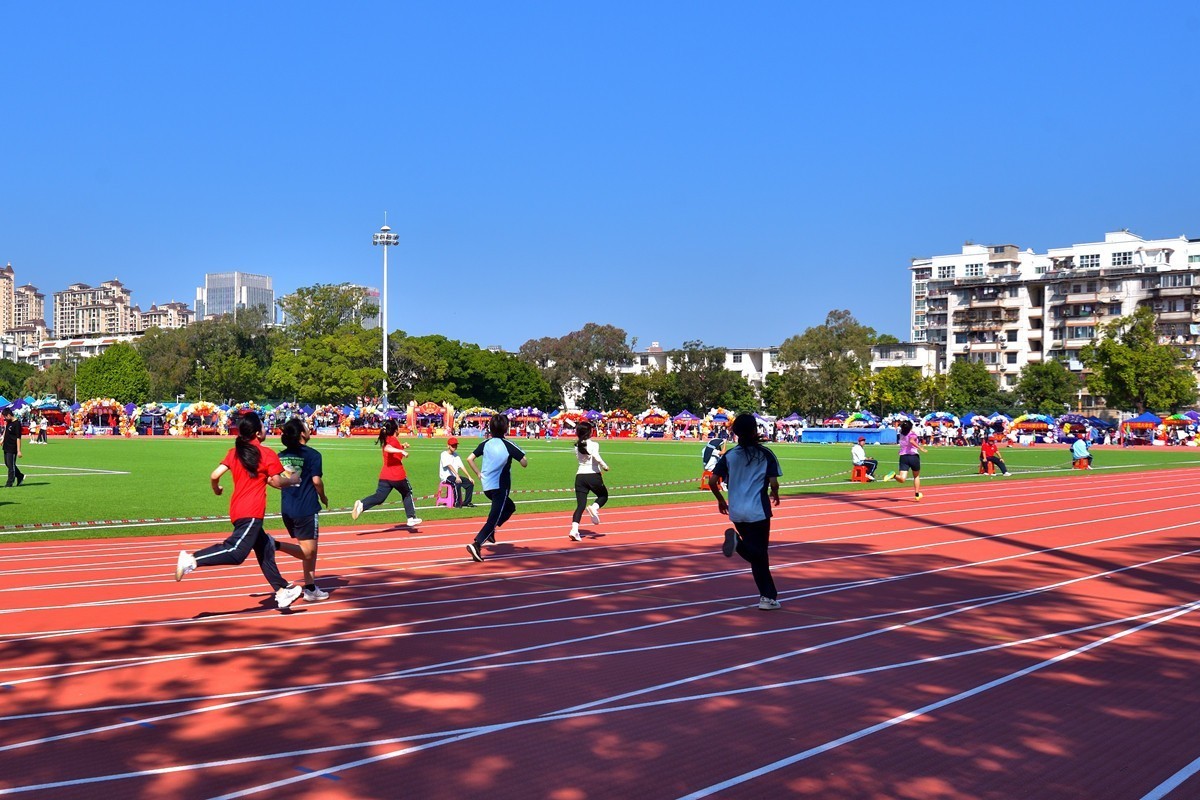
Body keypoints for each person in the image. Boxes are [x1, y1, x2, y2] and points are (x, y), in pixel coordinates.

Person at [173, 413, 304, 610]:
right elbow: (277, 482)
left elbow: (215, 475)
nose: (266, 429)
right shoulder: (266, 454)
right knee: (236, 552)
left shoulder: (235, 453)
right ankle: (191, 560)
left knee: (265, 549)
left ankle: (282, 590)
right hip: (252, 512)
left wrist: (216, 488)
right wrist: (292, 480)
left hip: (238, 510)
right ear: (258, 433)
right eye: (264, 426)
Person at [710, 413, 783, 610]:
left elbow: (712, 481)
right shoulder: (765, 454)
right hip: (758, 511)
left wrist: (720, 500)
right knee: (759, 554)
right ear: (755, 430)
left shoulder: (730, 455)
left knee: (758, 555)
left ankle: (767, 596)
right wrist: (775, 493)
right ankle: (767, 597)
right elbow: (774, 482)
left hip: (737, 511)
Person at [273, 418, 330, 602]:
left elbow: (275, 480)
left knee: (308, 547)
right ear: (301, 434)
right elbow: (316, 481)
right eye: (305, 427)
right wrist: (323, 496)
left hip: (288, 507)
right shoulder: (313, 455)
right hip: (306, 507)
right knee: (308, 552)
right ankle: (273, 545)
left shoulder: (281, 456)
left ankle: (311, 588)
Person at [464, 414, 528, 562]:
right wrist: (521, 457)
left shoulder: (485, 443)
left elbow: (469, 458)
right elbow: (524, 463)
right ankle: (477, 543)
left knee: (510, 507)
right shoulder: (508, 444)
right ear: (506, 428)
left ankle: (490, 532)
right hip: (501, 486)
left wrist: (478, 473)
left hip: (487, 487)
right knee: (493, 518)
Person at [350, 419, 422, 527]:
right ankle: (411, 517)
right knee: (407, 493)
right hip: (397, 475)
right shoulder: (392, 440)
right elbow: (388, 448)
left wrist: (402, 447)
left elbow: (390, 447)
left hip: (385, 476)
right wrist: (401, 451)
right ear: (395, 429)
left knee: (380, 497)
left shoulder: (388, 439)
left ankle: (362, 505)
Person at [569, 420, 610, 541]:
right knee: (603, 495)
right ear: (589, 432)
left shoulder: (577, 446)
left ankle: (574, 529)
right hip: (592, 475)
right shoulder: (594, 444)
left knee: (580, 506)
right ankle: (594, 508)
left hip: (580, 476)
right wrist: (605, 466)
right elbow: (596, 457)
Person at [883, 418, 929, 500]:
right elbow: (911, 441)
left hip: (903, 457)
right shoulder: (912, 434)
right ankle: (917, 494)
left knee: (902, 479)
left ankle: (894, 475)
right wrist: (920, 447)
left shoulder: (901, 434)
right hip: (913, 456)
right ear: (910, 428)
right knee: (916, 476)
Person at [439, 436, 475, 507]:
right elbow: (449, 465)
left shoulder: (456, 455)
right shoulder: (444, 454)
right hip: (446, 477)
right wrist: (457, 476)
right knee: (457, 483)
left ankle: (467, 502)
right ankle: (457, 503)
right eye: (453, 445)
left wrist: (469, 476)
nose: (454, 447)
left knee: (470, 483)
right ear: (448, 446)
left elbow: (462, 466)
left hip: (455, 476)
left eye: (455, 445)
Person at [2, 409, 24, 487]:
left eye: (5, 417)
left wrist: (19, 450)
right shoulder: (9, 422)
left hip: (12, 447)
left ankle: (9, 483)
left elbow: (18, 438)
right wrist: (2, 440)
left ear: (9, 415)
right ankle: (20, 476)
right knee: (8, 464)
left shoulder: (17, 424)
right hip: (6, 446)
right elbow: (6, 431)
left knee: (11, 466)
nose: (4, 418)